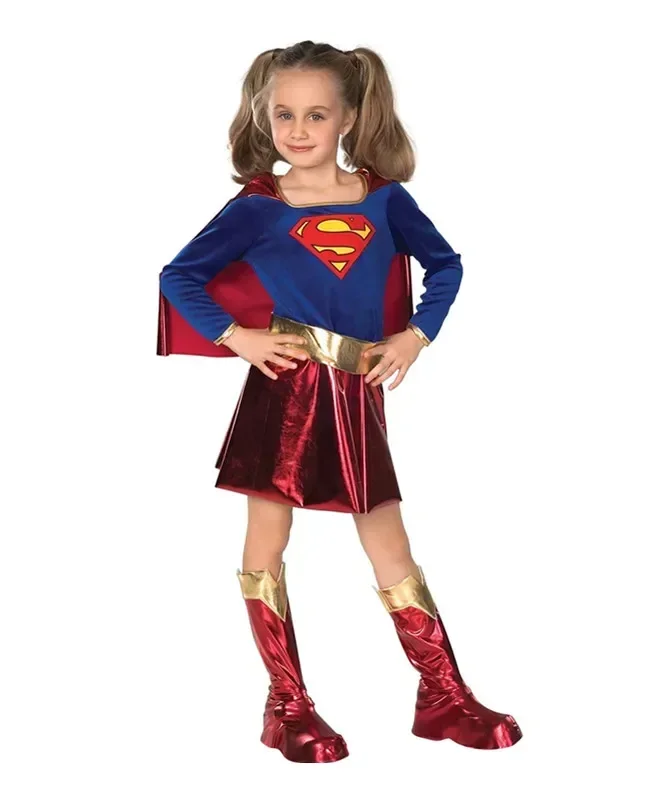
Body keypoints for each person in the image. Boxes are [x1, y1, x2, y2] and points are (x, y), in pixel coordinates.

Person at [156, 40, 522, 762]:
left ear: (349, 117)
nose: (298, 130)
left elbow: (445, 265)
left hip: (355, 393)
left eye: (316, 115)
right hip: (285, 389)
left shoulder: (385, 199)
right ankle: (286, 705)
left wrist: (416, 334)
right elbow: (179, 275)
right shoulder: (258, 207)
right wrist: (239, 338)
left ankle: (443, 696)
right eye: (284, 114)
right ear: (265, 116)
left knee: (388, 538)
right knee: (269, 538)